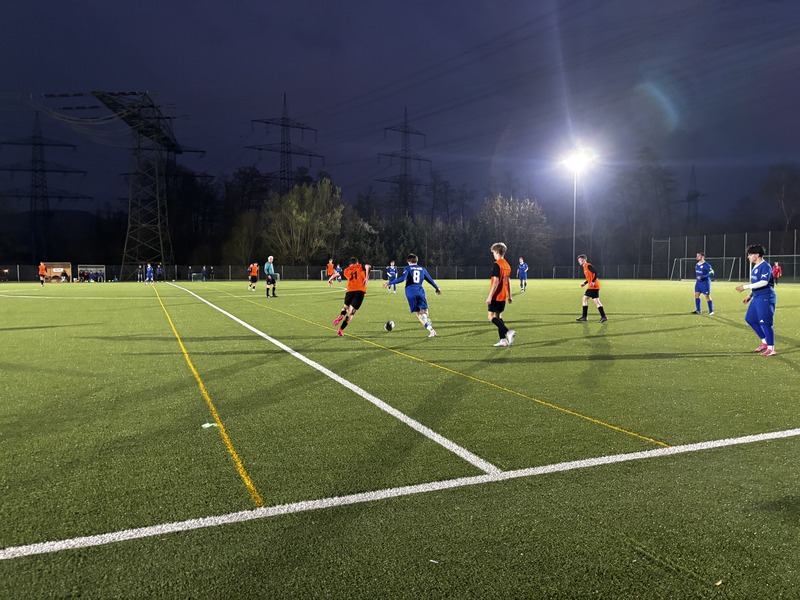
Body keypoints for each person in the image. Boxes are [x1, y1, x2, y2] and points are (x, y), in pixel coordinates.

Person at [383, 254, 441, 337]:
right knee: (425, 310)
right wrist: (437, 287)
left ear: (408, 262)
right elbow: (430, 279)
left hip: (410, 293)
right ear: (417, 261)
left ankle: (431, 330)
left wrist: (390, 282)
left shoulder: (408, 268)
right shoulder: (422, 269)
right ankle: (428, 323)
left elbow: (402, 278)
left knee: (418, 313)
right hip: (420, 292)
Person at [735, 244, 777, 356]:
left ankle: (771, 348)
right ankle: (764, 342)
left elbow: (764, 282)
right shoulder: (755, 267)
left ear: (757, 255)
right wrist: (750, 295)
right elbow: (756, 284)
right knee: (750, 319)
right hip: (757, 297)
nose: (748, 256)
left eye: (750, 254)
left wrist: (745, 287)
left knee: (765, 323)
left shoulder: (765, 266)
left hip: (766, 297)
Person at [329, 257, 371, 337]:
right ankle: (340, 330)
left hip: (350, 291)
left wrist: (330, 279)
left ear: (350, 264)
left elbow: (337, 274)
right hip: (360, 291)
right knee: (351, 313)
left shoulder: (346, 270)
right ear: (357, 263)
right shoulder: (360, 266)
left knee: (345, 307)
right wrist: (366, 277)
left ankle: (341, 315)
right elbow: (368, 266)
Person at [486, 242, 515, 347]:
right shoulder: (507, 265)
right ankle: (503, 340)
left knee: (491, 317)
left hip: (496, 295)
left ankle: (508, 332)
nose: (493, 254)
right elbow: (508, 281)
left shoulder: (497, 264)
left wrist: (490, 296)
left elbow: (496, 282)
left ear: (497, 252)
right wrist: (509, 295)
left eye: (493, 252)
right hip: (503, 296)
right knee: (498, 316)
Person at [576, 254, 608, 323]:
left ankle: (584, 317)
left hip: (593, 287)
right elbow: (589, 278)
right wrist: (584, 283)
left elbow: (596, 273)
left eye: (580, 260)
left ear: (584, 260)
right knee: (596, 301)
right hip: (594, 286)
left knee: (584, 299)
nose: (579, 261)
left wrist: (593, 282)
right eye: (578, 260)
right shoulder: (584, 267)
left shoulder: (588, 266)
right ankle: (603, 317)